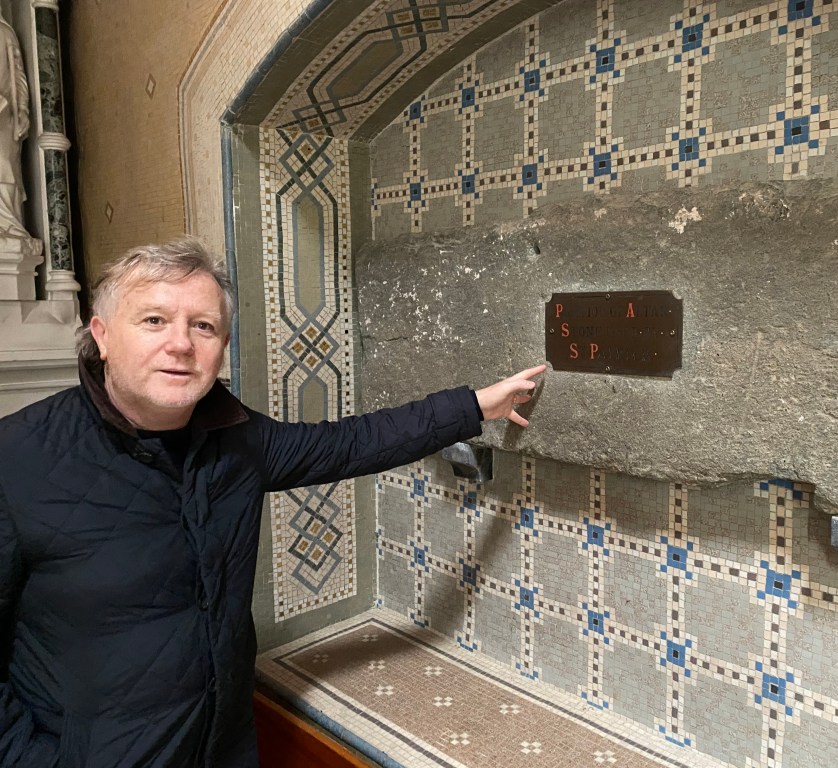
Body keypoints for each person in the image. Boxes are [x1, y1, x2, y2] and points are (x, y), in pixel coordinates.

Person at [0, 237, 545, 767]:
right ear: (101, 335)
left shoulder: (235, 437)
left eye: (203, 326)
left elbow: (350, 443)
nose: (181, 344)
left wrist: (475, 406)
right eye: (154, 320)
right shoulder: (16, 457)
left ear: (222, 345)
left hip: (224, 745)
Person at [0, 17, 30, 240]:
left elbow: (17, 75)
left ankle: (8, 225)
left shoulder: (5, 33)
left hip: (5, 117)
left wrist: (22, 109)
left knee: (5, 165)